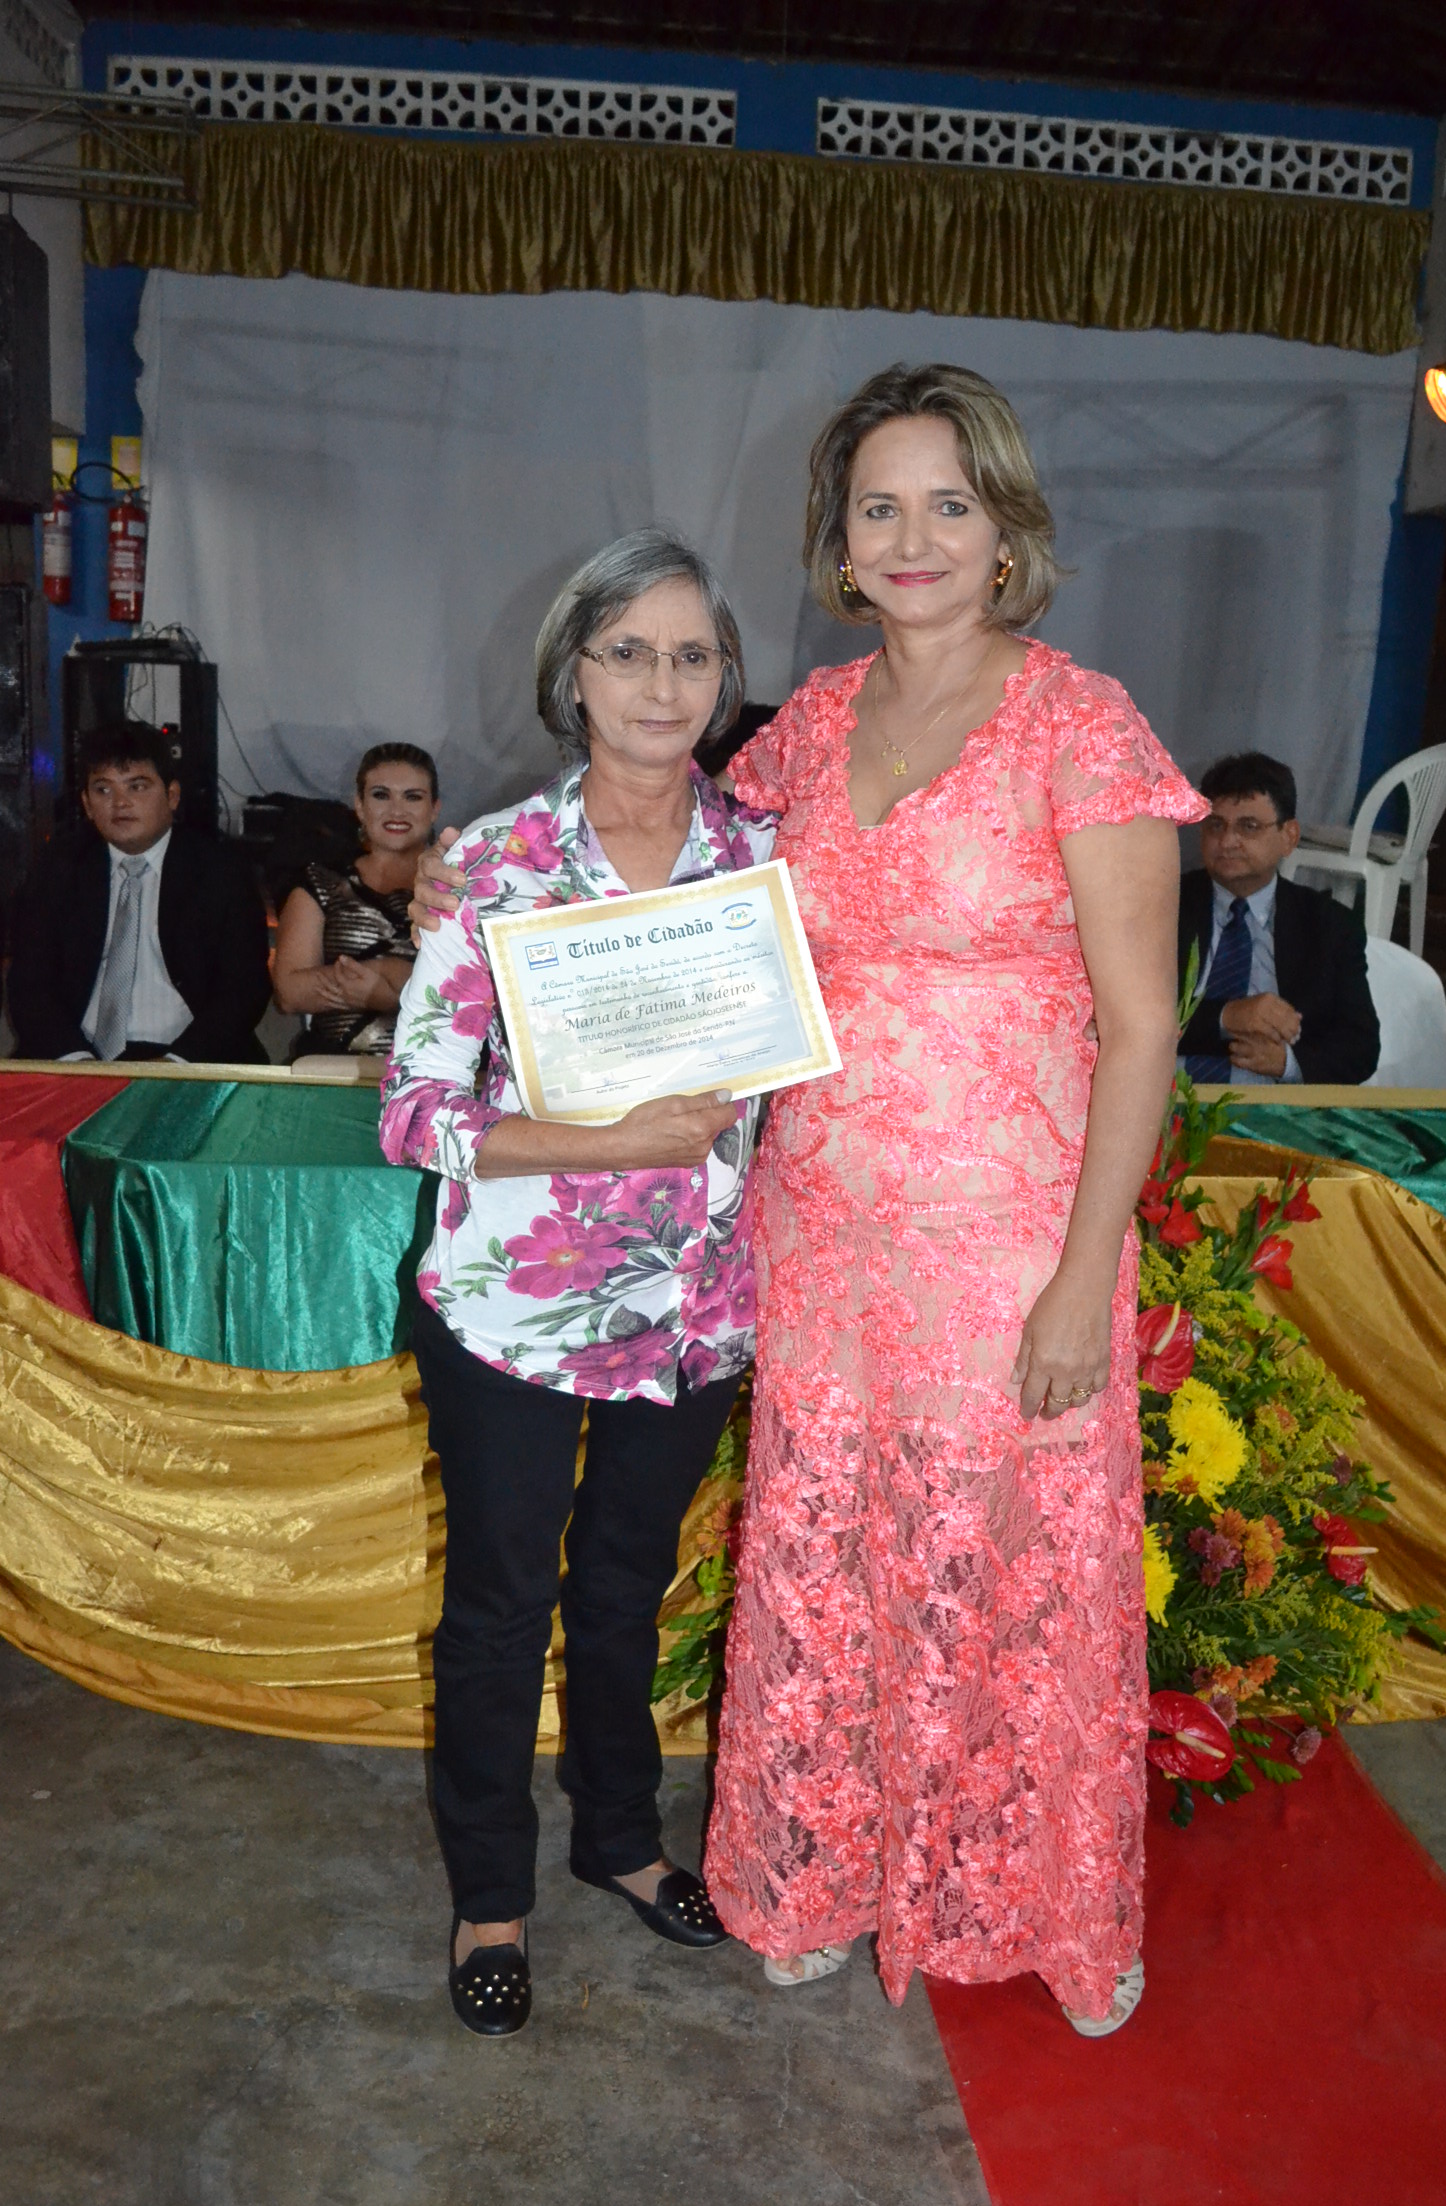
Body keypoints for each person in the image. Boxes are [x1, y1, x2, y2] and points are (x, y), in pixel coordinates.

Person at [414, 367, 1202, 2037]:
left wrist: (1087, 1278)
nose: (913, 538)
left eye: (949, 504)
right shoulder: (809, 731)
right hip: (814, 1235)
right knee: (828, 1567)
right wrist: (456, 878)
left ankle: (1040, 1898)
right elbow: (665, 867)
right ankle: (822, 1870)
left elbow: (1144, 1026)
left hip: (1007, 1243)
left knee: (1006, 1574)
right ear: (838, 545)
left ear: (1006, 530)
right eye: (878, 507)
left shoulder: (1083, 724)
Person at [380, 530, 776, 2038]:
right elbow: (416, 1112)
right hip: (515, 1314)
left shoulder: (769, 861)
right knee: (500, 1603)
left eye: (691, 655)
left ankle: (619, 1837)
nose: (661, 685)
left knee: (624, 1586)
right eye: (628, 652)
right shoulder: (493, 864)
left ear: (725, 678)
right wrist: (603, 1140)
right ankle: (491, 1893)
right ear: (574, 673)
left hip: (696, 1309)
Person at [8, 722, 270, 1064]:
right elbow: (29, 984)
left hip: (191, 1058)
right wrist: (78, 1062)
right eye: (103, 790)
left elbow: (244, 989)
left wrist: (176, 1065)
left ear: (172, 796)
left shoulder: (220, 870)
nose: (120, 803)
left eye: (137, 786)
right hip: (76, 1054)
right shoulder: (59, 867)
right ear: (87, 804)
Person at [1177, 752, 1380, 1085]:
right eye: (1215, 825)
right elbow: (1122, 1016)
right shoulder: (1165, 905)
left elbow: (1361, 1047)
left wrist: (1288, 1063)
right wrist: (1228, 1016)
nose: (1227, 841)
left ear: (1289, 836)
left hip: (1271, 1101)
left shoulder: (1329, 926)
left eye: (1249, 827)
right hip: (1165, 1094)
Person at [271, 743, 437, 1056]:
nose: (397, 810)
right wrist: (399, 980)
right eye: (381, 795)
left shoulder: (462, 887)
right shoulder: (320, 882)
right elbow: (289, 993)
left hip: (437, 1069)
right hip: (333, 1069)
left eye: (413, 797)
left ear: (434, 809)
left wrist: (388, 993)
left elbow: (483, 996)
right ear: (359, 805)